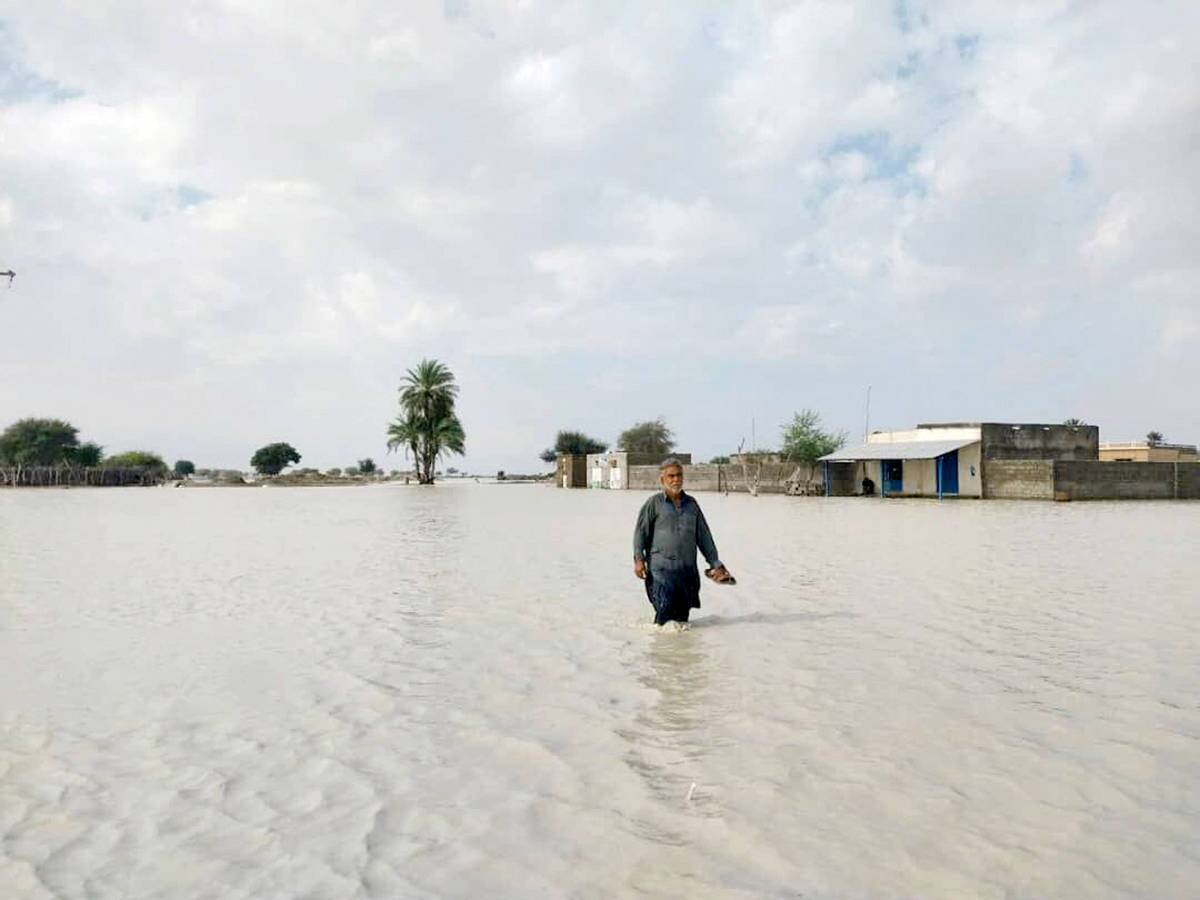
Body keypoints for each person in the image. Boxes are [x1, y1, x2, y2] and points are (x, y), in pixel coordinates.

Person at [633, 458, 731, 625]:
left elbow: (704, 536)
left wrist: (715, 563)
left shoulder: (691, 505)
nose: (675, 479)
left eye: (679, 475)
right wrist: (639, 559)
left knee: (681, 620)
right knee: (664, 612)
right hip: (660, 570)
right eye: (671, 476)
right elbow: (640, 532)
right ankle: (659, 649)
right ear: (662, 479)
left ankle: (680, 650)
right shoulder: (654, 504)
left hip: (686, 571)